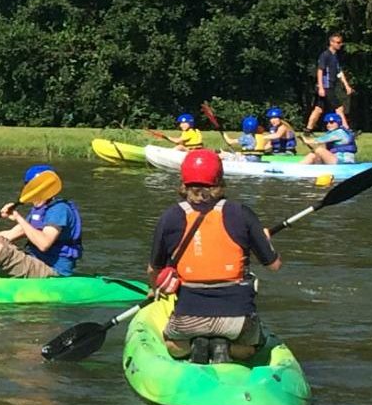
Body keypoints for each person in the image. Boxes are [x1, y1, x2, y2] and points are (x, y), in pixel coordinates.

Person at [148, 149, 280, 363]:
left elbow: (154, 269)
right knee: (247, 349)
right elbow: (274, 265)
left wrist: (153, 290)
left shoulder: (170, 217)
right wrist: (265, 240)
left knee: (175, 346)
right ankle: (225, 348)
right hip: (237, 320)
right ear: (219, 179)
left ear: (184, 181)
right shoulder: (242, 213)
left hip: (189, 318)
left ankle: (195, 343)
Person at [306, 32, 354, 131]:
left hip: (330, 86)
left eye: (340, 42)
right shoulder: (325, 55)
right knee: (339, 108)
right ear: (331, 43)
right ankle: (347, 130)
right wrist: (321, 87)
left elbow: (339, 72)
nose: (340, 44)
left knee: (318, 109)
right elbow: (320, 71)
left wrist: (346, 85)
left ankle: (307, 130)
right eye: (337, 42)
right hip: (326, 86)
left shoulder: (335, 56)